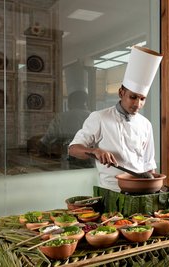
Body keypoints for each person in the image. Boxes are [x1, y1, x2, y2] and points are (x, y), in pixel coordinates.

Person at [68, 46, 163, 191]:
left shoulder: (146, 125)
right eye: (133, 97)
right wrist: (95, 151)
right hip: (111, 191)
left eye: (142, 99)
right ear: (121, 93)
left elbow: (149, 166)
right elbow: (73, 149)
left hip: (140, 191)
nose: (138, 104)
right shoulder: (99, 117)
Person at [39, 90, 94, 167]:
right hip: (89, 157)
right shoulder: (93, 116)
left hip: (67, 156)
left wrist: (42, 148)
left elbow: (48, 137)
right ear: (85, 102)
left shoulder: (61, 117)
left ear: (70, 103)